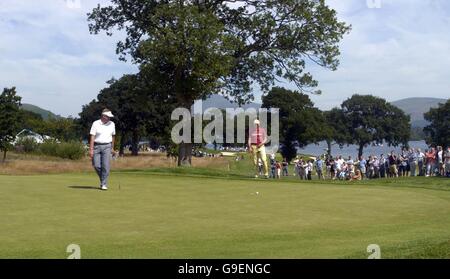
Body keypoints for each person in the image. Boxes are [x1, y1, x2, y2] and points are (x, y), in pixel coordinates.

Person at [89, 109, 117, 191]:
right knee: (96, 165)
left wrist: (112, 147)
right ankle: (103, 178)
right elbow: (92, 136)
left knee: (106, 166)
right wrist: (91, 149)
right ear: (103, 116)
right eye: (108, 117)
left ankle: (103, 184)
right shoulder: (95, 123)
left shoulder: (112, 124)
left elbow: (113, 136)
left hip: (107, 146)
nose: (109, 118)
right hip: (96, 146)